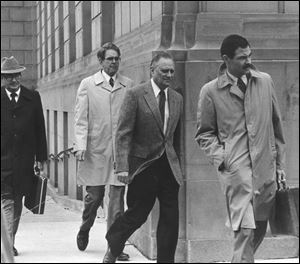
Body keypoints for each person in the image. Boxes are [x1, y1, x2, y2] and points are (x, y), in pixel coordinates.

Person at [195, 34, 286, 263]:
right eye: (242, 58)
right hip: (237, 173)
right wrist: (223, 158)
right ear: (226, 59)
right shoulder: (210, 91)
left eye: (250, 55)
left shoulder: (264, 81)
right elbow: (204, 133)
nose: (248, 61)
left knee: (259, 228)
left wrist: (280, 165)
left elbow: (276, 126)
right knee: (245, 231)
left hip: (266, 170)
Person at [102, 51, 183, 263]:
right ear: (152, 70)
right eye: (164, 71)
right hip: (143, 166)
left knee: (170, 218)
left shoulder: (177, 98)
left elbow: (176, 137)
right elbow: (123, 133)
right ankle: (115, 240)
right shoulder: (136, 94)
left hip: (168, 167)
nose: (169, 75)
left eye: (172, 71)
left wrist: (178, 167)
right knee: (138, 213)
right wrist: (122, 167)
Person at [73, 42, 134, 261]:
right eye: (110, 59)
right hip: (96, 149)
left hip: (119, 152)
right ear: (101, 61)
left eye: (117, 58)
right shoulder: (87, 85)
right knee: (94, 197)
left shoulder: (128, 85)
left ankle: (114, 247)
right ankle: (85, 227)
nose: (114, 62)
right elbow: (80, 119)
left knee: (117, 201)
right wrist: (80, 146)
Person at [1, 56, 48, 256]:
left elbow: (40, 130)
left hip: (24, 161)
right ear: (3, 78)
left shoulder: (32, 98)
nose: (14, 80)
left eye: (16, 75)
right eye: (9, 77)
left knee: (17, 203)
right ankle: (6, 247)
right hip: (2, 161)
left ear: (21, 75)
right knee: (7, 202)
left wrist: (42, 159)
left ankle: (9, 242)